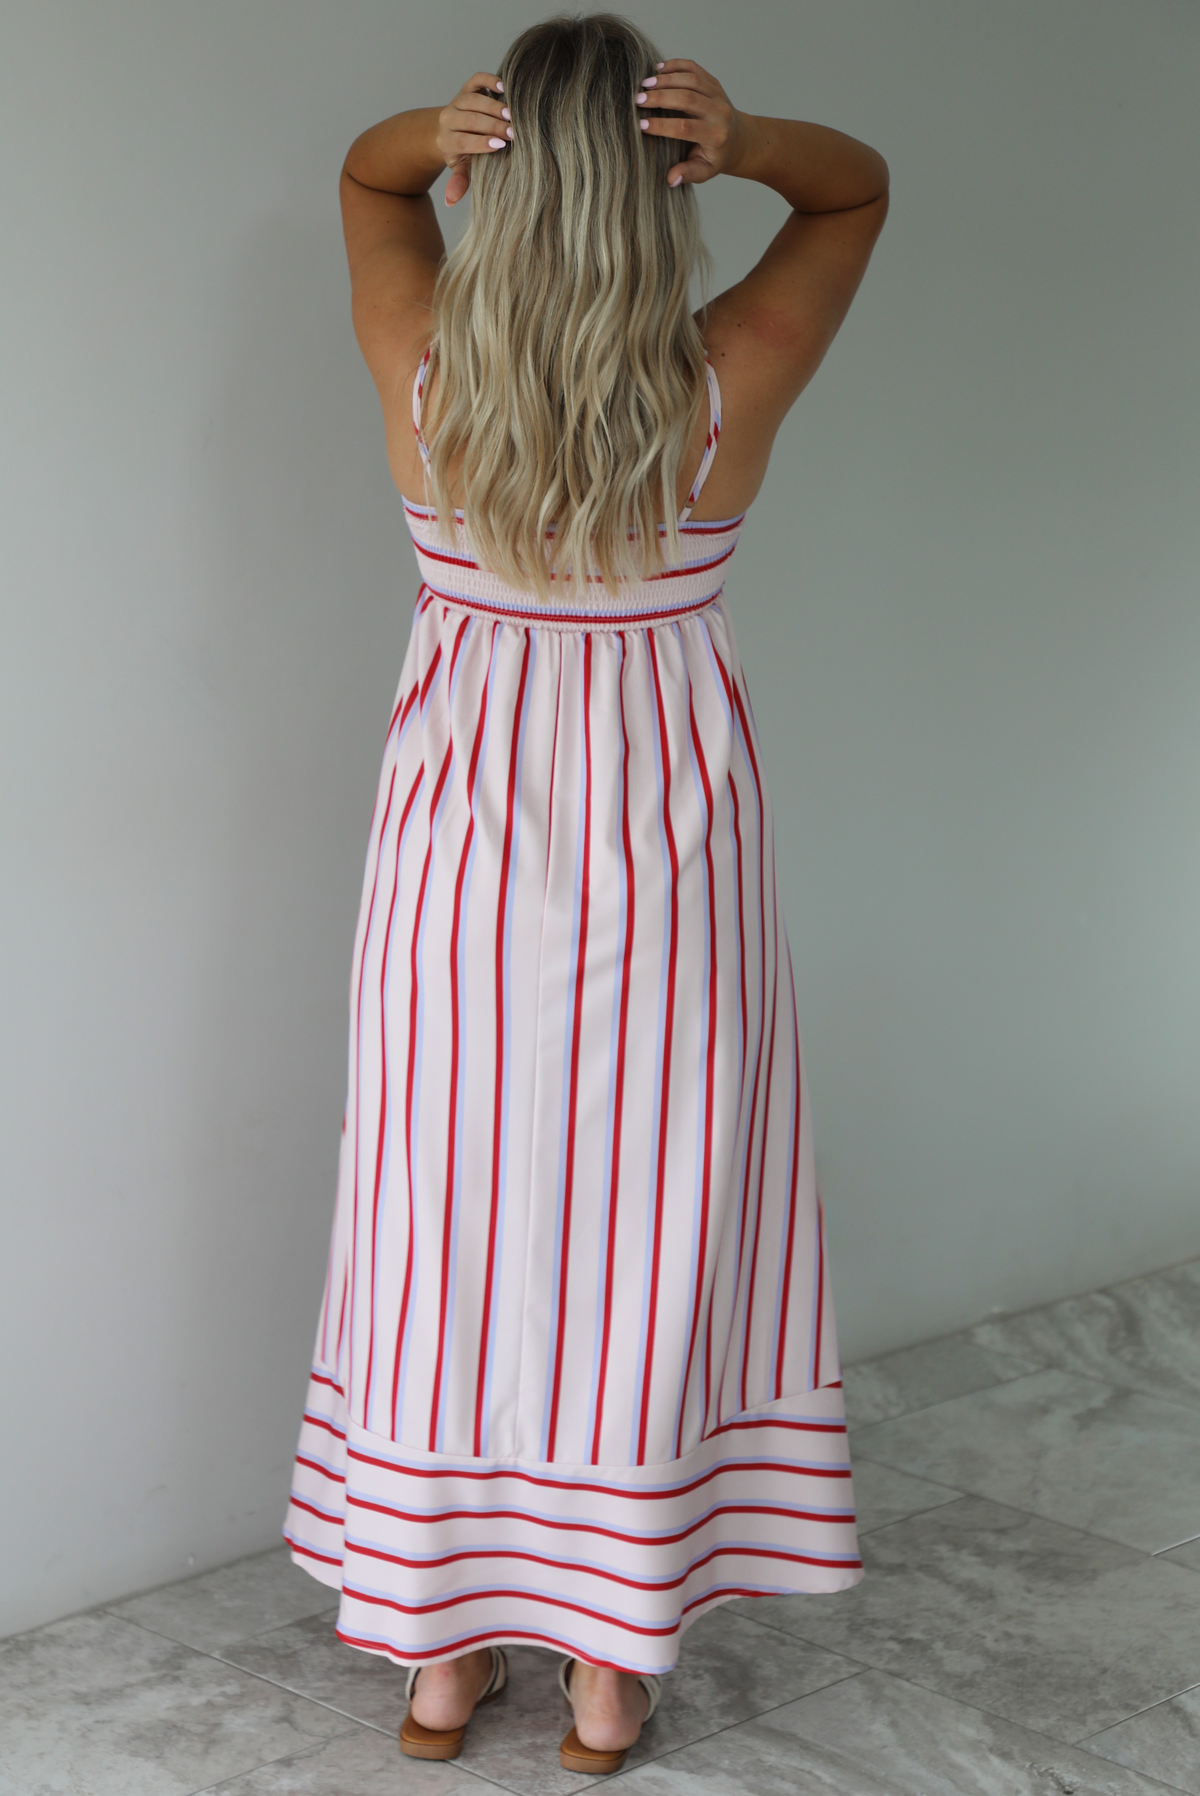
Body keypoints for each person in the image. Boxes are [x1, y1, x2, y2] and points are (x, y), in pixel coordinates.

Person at [284, 11, 889, 1776]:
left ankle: (441, 1657)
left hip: (458, 865)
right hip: (665, 850)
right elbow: (855, 202)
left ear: (499, 178)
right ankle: (610, 1665)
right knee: (642, 1233)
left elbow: (362, 177)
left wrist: (425, 128)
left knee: (445, 1232)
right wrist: (759, 133)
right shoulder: (729, 383)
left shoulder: (422, 372)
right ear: (658, 187)